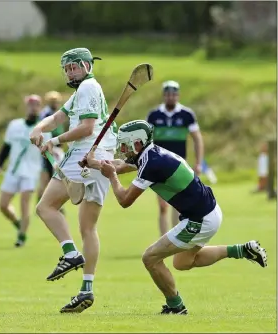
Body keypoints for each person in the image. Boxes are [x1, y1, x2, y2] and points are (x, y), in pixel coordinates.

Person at [85, 120, 267, 315]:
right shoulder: (150, 153)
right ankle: (243, 250)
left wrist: (112, 177)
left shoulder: (151, 164)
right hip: (207, 212)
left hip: (200, 220)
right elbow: (120, 165)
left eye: (124, 145)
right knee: (182, 262)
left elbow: (124, 200)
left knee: (150, 258)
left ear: (137, 143)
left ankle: (176, 306)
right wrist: (93, 163)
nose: (121, 149)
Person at [30, 47, 117, 313]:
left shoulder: (89, 88)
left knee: (45, 207)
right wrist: (40, 128)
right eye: (67, 68)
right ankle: (86, 289)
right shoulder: (82, 91)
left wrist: (54, 140)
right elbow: (60, 116)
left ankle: (70, 254)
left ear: (87, 66)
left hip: (84, 154)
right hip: (103, 160)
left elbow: (87, 128)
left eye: (74, 67)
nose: (70, 72)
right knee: (88, 228)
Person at [147, 81, 204, 236]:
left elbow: (197, 139)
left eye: (173, 94)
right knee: (162, 205)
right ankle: (163, 239)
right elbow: (147, 140)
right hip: (158, 166)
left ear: (178, 96)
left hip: (179, 166)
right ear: (163, 96)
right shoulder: (154, 115)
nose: (170, 97)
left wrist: (198, 162)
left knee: (178, 204)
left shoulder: (186, 115)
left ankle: (174, 240)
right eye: (167, 95)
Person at [0, 95, 47, 247]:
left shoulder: (44, 129)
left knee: (25, 204)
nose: (33, 107)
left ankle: (21, 236)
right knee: (3, 206)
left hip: (31, 172)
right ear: (26, 106)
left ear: (40, 107)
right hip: (12, 171)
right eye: (31, 104)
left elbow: (47, 154)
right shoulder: (14, 125)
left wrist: (48, 176)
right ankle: (18, 224)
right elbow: (6, 147)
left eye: (36, 105)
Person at [37, 91, 65, 209]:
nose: (55, 103)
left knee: (53, 176)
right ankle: (46, 203)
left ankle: (50, 203)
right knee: (49, 177)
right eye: (53, 101)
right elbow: (42, 132)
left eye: (56, 101)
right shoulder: (46, 114)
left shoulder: (57, 113)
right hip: (50, 148)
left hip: (57, 149)